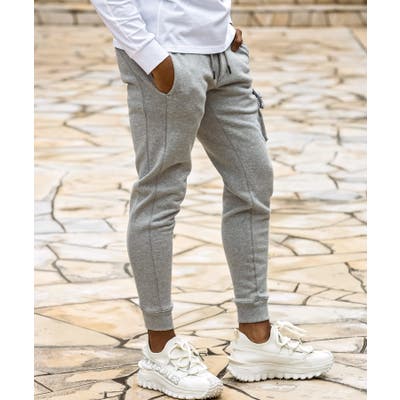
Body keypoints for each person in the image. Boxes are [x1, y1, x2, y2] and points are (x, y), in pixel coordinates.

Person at [90, 1, 334, 398]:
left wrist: (223, 28)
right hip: (166, 57)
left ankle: (256, 338)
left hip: (223, 53)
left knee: (253, 183)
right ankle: (160, 349)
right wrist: (151, 55)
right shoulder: (158, 57)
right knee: (160, 193)